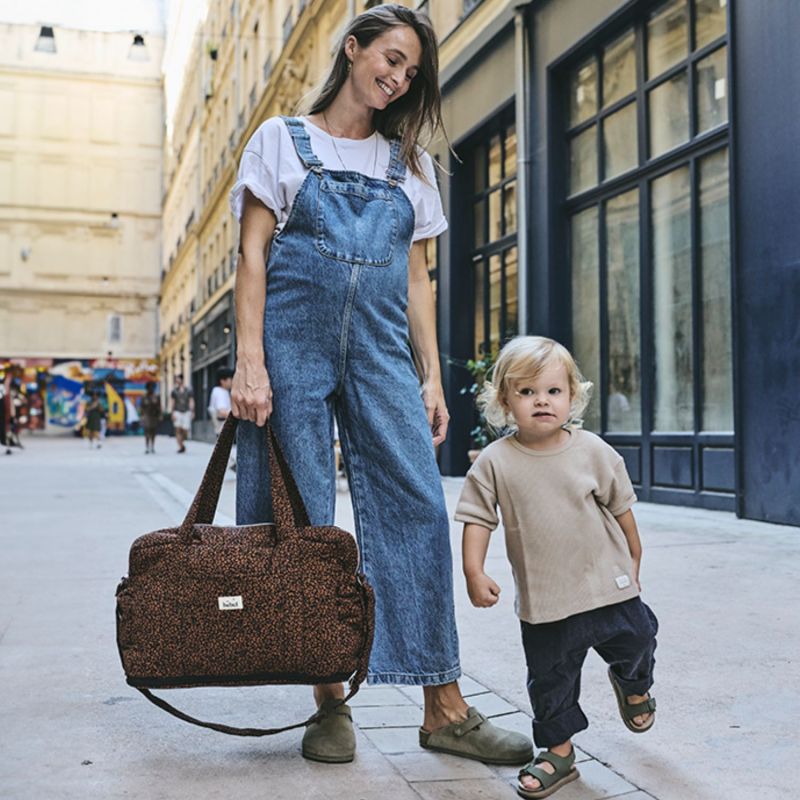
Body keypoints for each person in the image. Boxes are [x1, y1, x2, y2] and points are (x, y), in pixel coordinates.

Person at [229, 3, 531, 767]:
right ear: (354, 48)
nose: (396, 78)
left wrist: (430, 377)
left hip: (380, 352)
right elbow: (253, 256)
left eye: (409, 72)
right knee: (300, 519)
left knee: (416, 508)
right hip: (290, 344)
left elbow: (418, 279)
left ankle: (444, 706)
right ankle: (327, 699)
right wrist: (250, 360)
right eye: (389, 59)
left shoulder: (410, 163)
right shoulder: (281, 140)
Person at [455, 336, 658, 799]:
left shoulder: (593, 450)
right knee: (550, 681)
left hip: (608, 585)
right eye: (526, 392)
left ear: (572, 396)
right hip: (546, 602)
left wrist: (634, 554)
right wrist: (474, 571)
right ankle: (559, 753)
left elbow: (622, 507)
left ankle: (634, 685)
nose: (541, 401)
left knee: (638, 637)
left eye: (552, 391)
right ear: (505, 402)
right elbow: (477, 519)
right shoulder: (494, 463)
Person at [170, 374, 194, 453]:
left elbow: (191, 401)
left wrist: (192, 411)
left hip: (186, 411)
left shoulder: (188, 390)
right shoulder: (174, 391)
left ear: (182, 379)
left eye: (178, 379)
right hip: (177, 411)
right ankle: (181, 446)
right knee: (178, 429)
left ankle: (182, 443)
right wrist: (172, 413)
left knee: (185, 430)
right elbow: (172, 402)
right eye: (176, 380)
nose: (177, 381)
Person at [208, 368, 234, 437]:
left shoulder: (222, 391)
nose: (232, 381)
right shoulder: (220, 392)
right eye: (230, 379)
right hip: (222, 427)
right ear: (222, 381)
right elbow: (222, 412)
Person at [139, 381, 161, 454]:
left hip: (154, 416)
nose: (151, 389)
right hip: (146, 416)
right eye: (149, 387)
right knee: (147, 432)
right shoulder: (144, 397)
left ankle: (152, 446)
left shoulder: (156, 397)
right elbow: (141, 407)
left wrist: (160, 415)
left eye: (152, 388)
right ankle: (147, 447)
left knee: (153, 432)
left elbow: (159, 407)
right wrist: (141, 416)